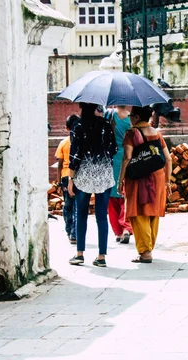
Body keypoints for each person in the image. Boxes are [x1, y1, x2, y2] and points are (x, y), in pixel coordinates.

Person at [118, 106, 172, 263]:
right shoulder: (157, 133)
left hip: (137, 177)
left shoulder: (131, 134)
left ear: (136, 117)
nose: (129, 118)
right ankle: (148, 248)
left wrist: (120, 179)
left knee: (139, 212)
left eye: (131, 115)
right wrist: (168, 181)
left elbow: (127, 158)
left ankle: (145, 251)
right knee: (153, 212)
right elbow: (168, 159)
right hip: (158, 177)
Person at [68, 103, 117, 267]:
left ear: (82, 108)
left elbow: (74, 155)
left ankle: (80, 254)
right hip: (103, 174)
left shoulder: (77, 126)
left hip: (84, 175)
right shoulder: (105, 125)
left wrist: (70, 179)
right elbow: (114, 149)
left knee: (81, 214)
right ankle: (101, 256)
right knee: (102, 216)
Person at [104, 106, 134, 244]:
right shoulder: (131, 118)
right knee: (126, 194)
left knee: (111, 196)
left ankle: (118, 232)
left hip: (111, 157)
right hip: (128, 156)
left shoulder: (109, 115)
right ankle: (127, 227)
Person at [55, 114, 80, 244]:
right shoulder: (82, 140)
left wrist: (59, 183)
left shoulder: (64, 143)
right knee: (77, 206)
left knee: (68, 205)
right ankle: (74, 233)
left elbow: (59, 164)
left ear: (66, 128)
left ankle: (69, 229)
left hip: (65, 176)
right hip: (78, 176)